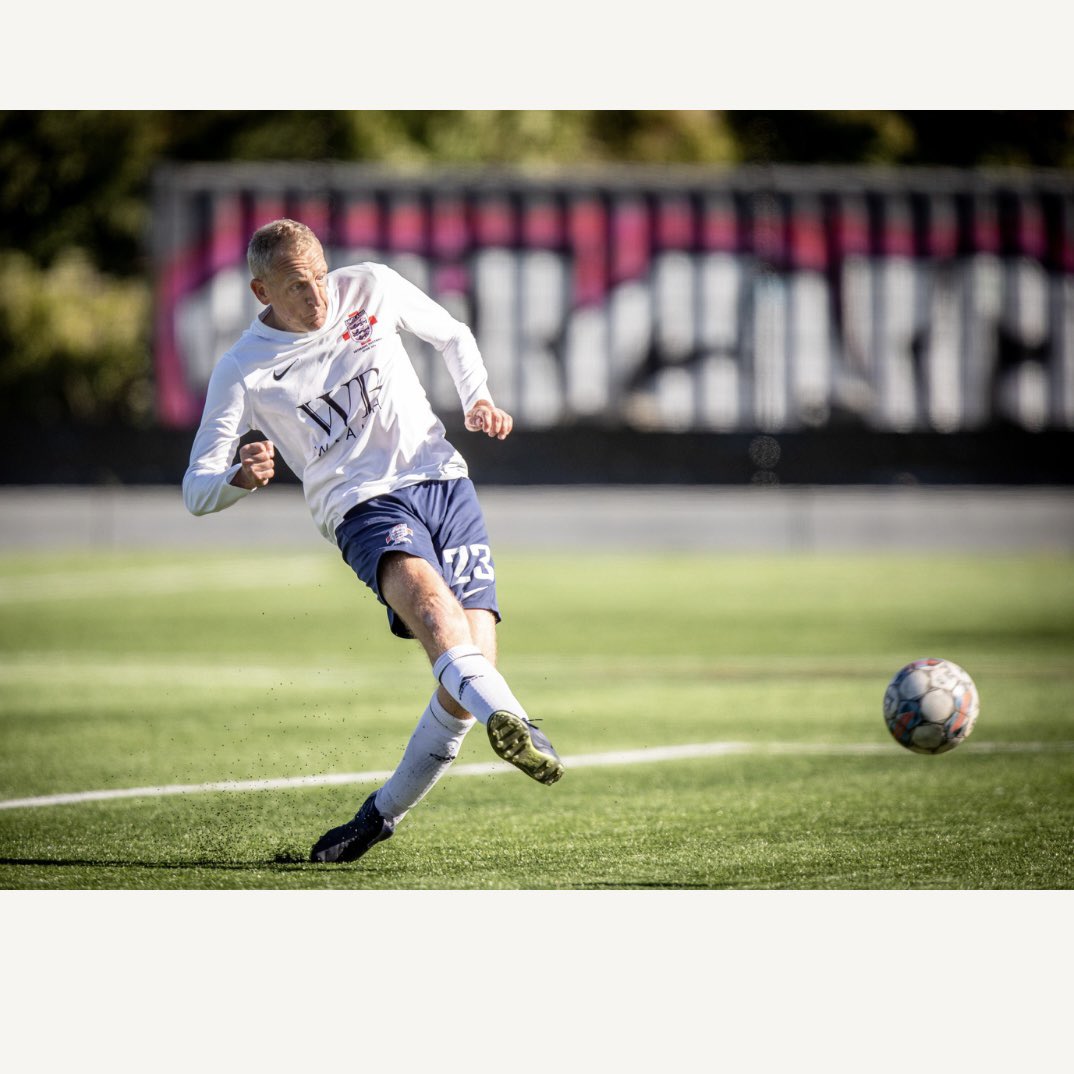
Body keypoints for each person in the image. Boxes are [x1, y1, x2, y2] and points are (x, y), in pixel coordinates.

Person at [183, 218, 563, 865]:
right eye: (298, 287)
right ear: (260, 291)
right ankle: (526, 728)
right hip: (361, 505)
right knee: (439, 621)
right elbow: (196, 488)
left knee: (472, 676)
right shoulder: (243, 370)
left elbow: (452, 333)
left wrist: (477, 399)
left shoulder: (372, 288)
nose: (319, 298)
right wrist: (239, 478)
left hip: (442, 479)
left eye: (321, 277)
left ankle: (380, 815)